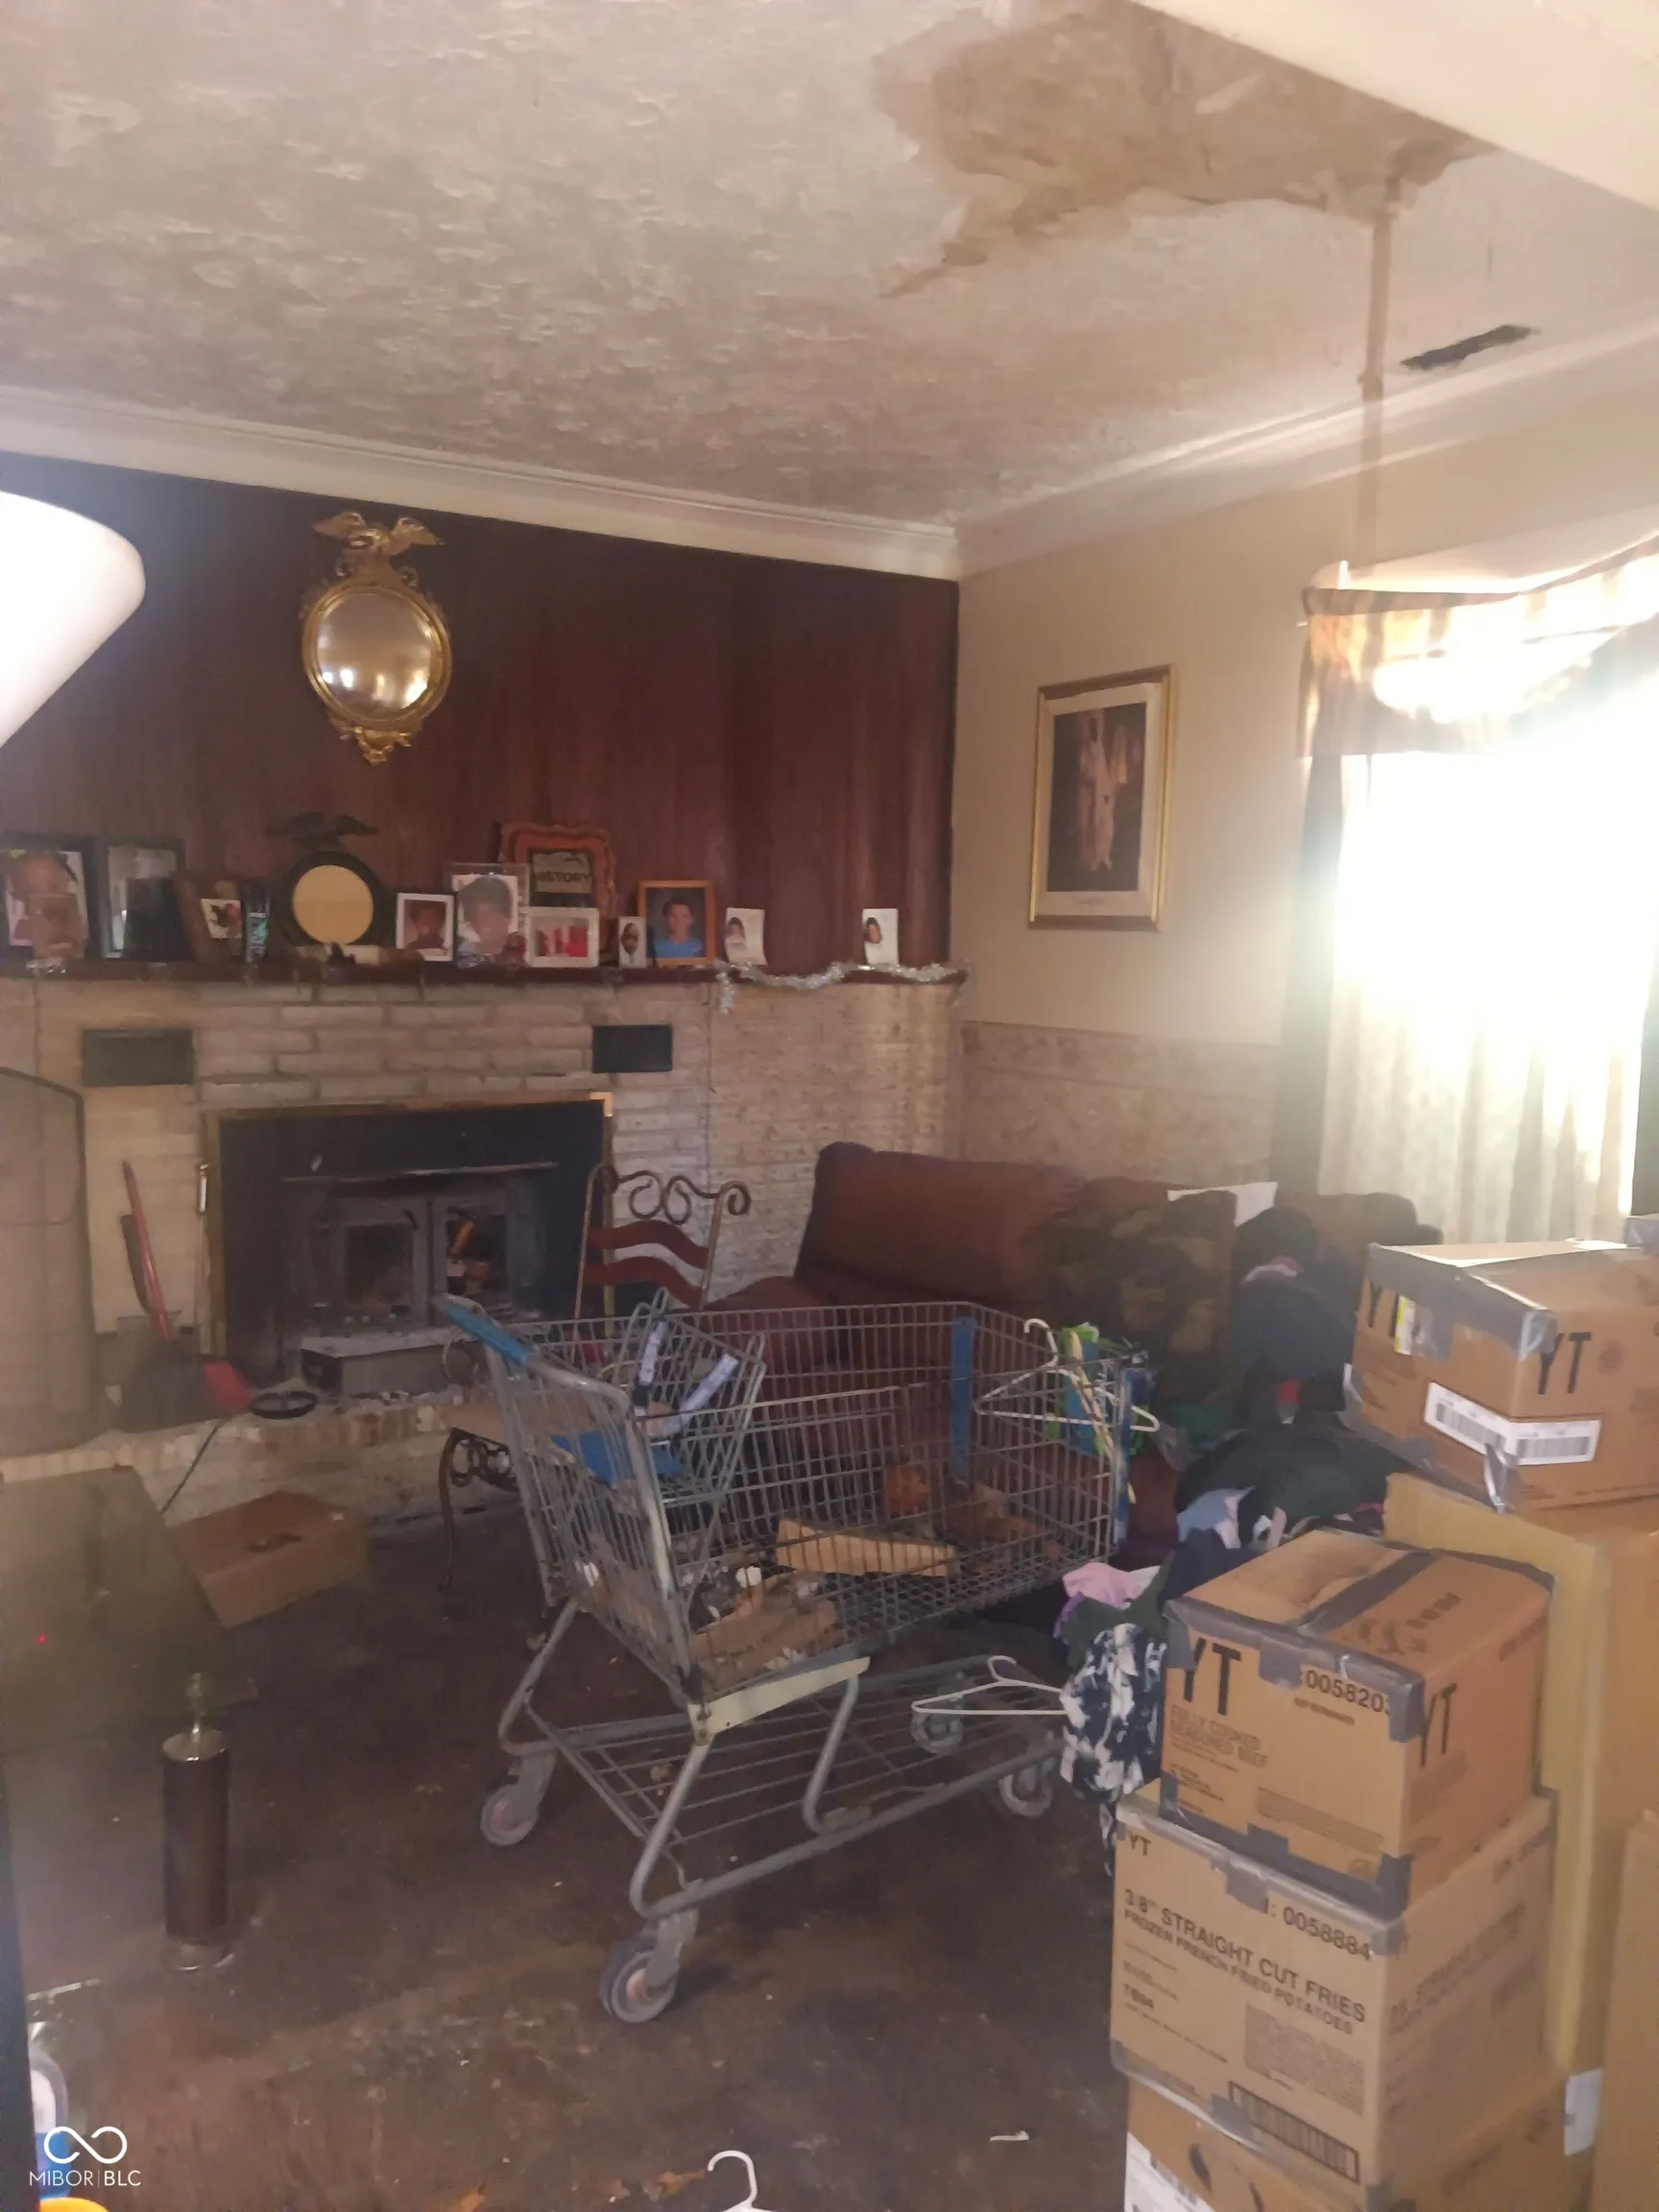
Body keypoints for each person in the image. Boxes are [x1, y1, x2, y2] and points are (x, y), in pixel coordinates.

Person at [456, 874, 517, 962]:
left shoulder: (517, 960)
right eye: (475, 915)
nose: (481, 922)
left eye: (489, 913)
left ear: (507, 914)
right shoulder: (463, 953)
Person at [653, 893, 704, 958]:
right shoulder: (658, 948)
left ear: (692, 919)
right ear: (666, 919)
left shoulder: (698, 946)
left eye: (684, 916)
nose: (679, 921)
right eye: (673, 916)